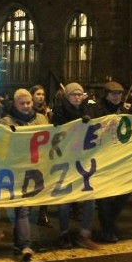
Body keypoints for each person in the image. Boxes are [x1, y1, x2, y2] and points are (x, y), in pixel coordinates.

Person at [0, 88, 49, 262]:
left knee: (26, 210)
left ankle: (18, 244)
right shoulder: (6, 122)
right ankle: (26, 245)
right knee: (23, 210)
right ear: (15, 104)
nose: (27, 106)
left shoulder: (42, 119)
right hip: (17, 171)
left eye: (29, 102)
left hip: (37, 170)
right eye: (23, 103)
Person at [52, 82, 98, 250]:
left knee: (89, 199)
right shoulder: (59, 111)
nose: (78, 97)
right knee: (64, 200)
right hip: (65, 161)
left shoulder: (87, 110)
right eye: (74, 94)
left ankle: (84, 234)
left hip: (83, 160)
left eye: (80, 94)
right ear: (67, 96)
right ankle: (64, 234)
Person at [90, 81, 130, 243]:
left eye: (119, 94)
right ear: (106, 94)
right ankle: (108, 229)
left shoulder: (125, 110)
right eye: (114, 94)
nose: (117, 97)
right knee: (104, 197)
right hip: (101, 157)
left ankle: (110, 221)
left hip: (119, 158)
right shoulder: (95, 110)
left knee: (125, 192)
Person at [29, 84, 53, 227]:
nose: (41, 97)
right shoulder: (28, 111)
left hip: (44, 152)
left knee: (45, 184)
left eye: (43, 94)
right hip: (32, 153)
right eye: (38, 94)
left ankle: (43, 213)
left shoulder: (47, 112)